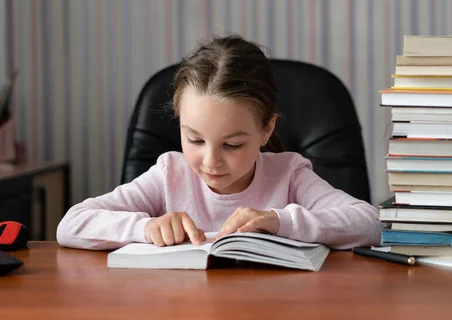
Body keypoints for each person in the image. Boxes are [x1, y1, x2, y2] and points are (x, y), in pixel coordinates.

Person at [56, 35, 381, 251]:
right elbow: (71, 224)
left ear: (266, 130)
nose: (210, 161)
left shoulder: (289, 173)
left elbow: (370, 224)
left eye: (233, 145)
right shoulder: (170, 173)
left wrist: (281, 221)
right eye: (194, 139)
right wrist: (145, 228)